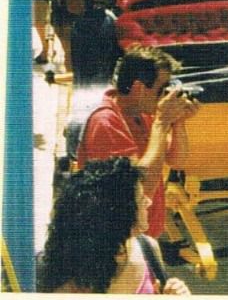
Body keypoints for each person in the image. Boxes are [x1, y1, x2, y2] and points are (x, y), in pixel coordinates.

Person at [77, 47, 199, 240]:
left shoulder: (142, 114)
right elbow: (138, 187)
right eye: (161, 89)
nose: (164, 96)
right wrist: (161, 122)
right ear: (139, 88)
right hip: (118, 240)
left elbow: (178, 161)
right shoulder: (106, 123)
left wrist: (178, 122)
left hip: (144, 235)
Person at [38, 157, 191, 294]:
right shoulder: (71, 287)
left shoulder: (148, 249)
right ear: (118, 216)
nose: (148, 202)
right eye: (140, 199)